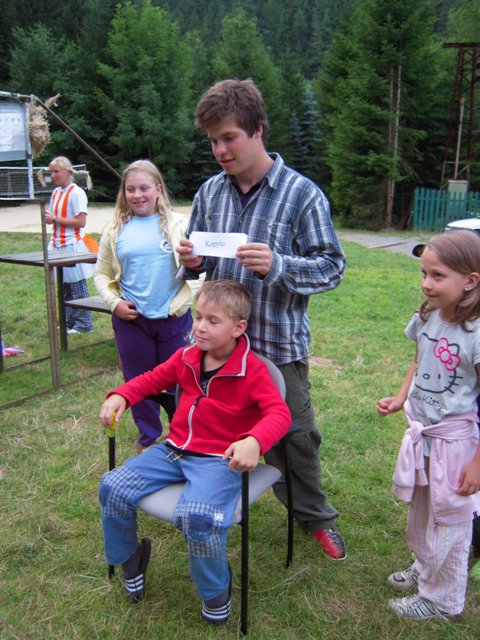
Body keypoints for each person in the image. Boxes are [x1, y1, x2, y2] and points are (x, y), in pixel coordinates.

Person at [177, 78, 347, 559]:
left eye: (229, 137)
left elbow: (332, 268)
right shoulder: (210, 193)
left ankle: (314, 517)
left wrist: (279, 265)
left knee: (295, 437)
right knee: (211, 425)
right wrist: (191, 262)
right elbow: (198, 262)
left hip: (276, 345)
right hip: (218, 348)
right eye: (213, 141)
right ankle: (208, 504)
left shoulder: (302, 194)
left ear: (258, 130)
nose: (220, 150)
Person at [98, 279, 291, 624]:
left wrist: (255, 440)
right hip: (174, 451)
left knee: (198, 517)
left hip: (219, 460)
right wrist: (122, 395)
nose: (200, 326)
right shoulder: (186, 357)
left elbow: (279, 414)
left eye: (213, 321)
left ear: (238, 328)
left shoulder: (253, 371)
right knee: (112, 487)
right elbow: (151, 379)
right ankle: (130, 560)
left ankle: (216, 592)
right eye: (198, 316)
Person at [377, 229, 480, 621]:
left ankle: (442, 601)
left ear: (470, 280)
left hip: (455, 445)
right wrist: (401, 396)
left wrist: (477, 464)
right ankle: (425, 568)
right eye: (424, 273)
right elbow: (419, 360)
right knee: (421, 514)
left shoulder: (476, 333)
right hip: (422, 436)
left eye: (438, 276)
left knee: (449, 521)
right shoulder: (428, 317)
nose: (426, 284)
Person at [94, 160, 197, 449]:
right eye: (131, 189)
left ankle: (181, 437)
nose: (137, 195)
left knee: (181, 380)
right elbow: (101, 273)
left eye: (144, 188)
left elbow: (199, 270)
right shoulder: (115, 229)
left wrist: (180, 303)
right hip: (132, 322)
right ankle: (149, 439)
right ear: (123, 192)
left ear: (158, 189)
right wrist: (114, 303)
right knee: (138, 381)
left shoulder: (180, 225)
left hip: (173, 320)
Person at [44, 156, 94, 334]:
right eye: (51, 172)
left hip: (72, 245)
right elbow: (55, 218)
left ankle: (84, 323)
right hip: (57, 244)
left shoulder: (76, 193)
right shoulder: (56, 192)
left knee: (77, 287)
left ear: (67, 172)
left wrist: (55, 219)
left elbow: (80, 222)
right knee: (64, 287)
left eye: (56, 171)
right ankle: (69, 322)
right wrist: (51, 219)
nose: (53, 175)